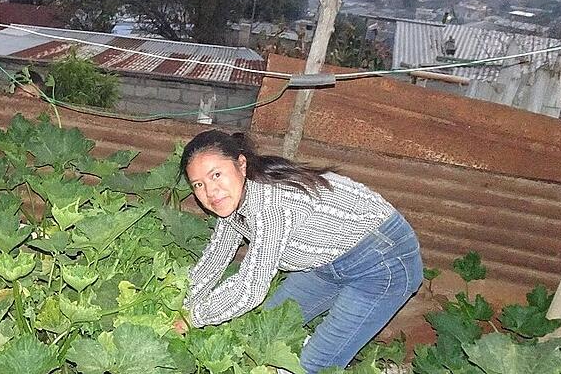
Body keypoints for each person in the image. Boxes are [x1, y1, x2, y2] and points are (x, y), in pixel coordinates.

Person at [177, 130, 422, 374]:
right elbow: (215, 258)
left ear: (241, 165)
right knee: (263, 329)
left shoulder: (271, 205)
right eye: (199, 184)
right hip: (326, 265)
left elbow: (249, 290)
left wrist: (192, 319)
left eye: (216, 175)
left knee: (308, 367)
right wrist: (182, 306)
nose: (211, 191)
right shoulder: (234, 201)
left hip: (383, 261)